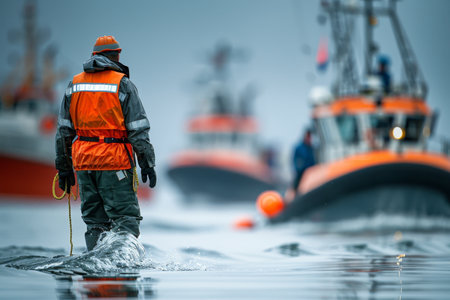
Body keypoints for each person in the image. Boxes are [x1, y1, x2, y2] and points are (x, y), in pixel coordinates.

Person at [55, 35, 157, 251]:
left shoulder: (74, 85)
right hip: (114, 163)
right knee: (125, 221)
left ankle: (95, 270)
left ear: (93, 56)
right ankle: (120, 271)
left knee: (95, 224)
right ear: (117, 55)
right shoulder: (123, 84)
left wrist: (64, 167)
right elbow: (138, 129)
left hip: (84, 165)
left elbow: (64, 131)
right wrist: (147, 162)